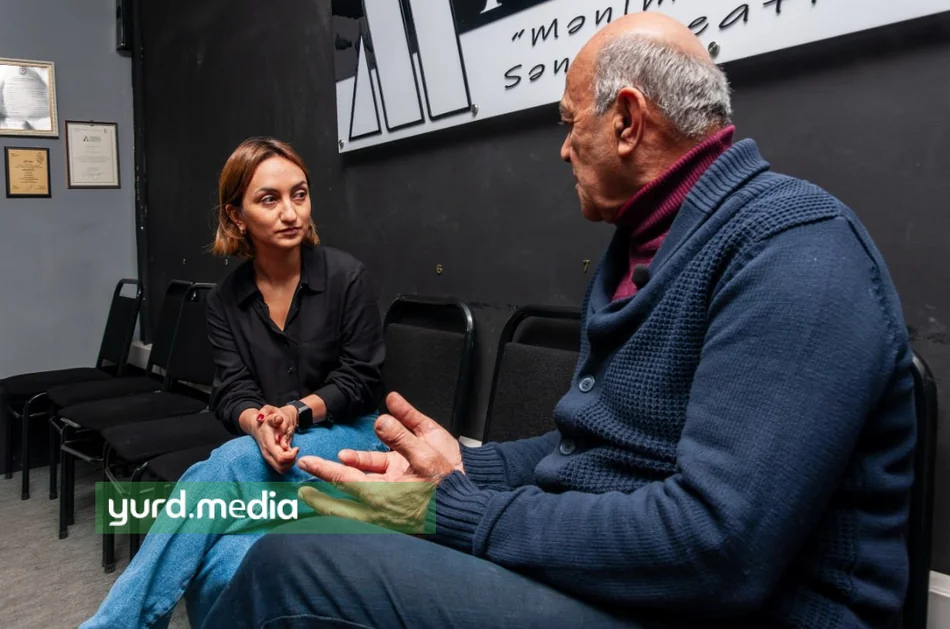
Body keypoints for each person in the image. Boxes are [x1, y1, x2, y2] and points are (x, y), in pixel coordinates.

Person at [205, 13, 916, 629]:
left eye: (572, 124)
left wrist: (456, 510)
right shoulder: (642, 248)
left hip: (726, 608)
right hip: (637, 580)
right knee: (307, 528)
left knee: (288, 568)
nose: (564, 147)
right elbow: (598, 447)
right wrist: (467, 466)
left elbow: (716, 548)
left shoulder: (794, 249)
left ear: (628, 121)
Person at [81, 137, 388, 629]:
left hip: (356, 440)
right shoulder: (226, 299)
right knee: (222, 559)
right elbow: (231, 390)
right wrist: (258, 423)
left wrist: (294, 413)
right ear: (237, 215)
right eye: (269, 199)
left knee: (227, 462)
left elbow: (360, 379)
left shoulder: (346, 276)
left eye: (300, 194)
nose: (290, 212)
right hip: (273, 455)